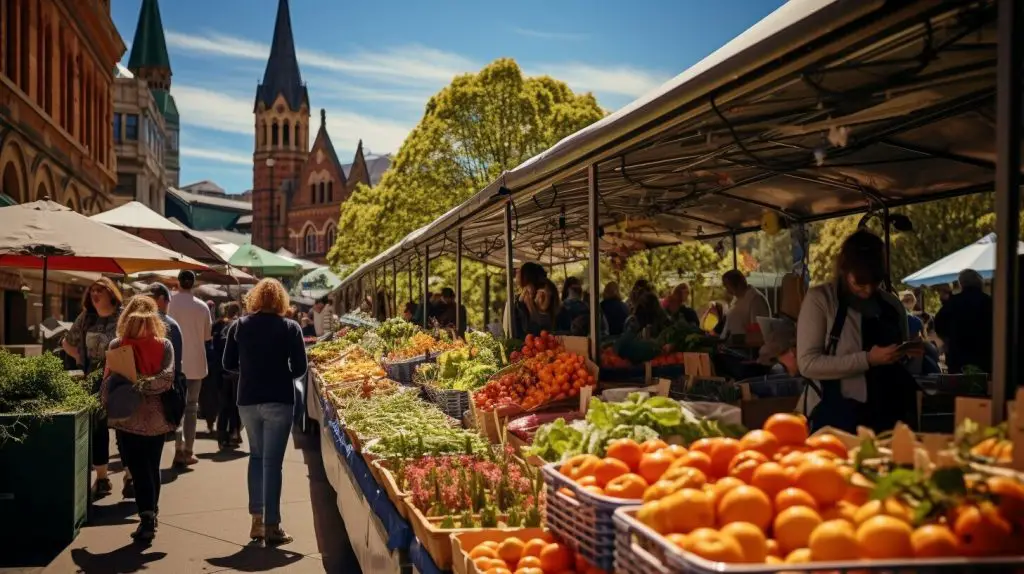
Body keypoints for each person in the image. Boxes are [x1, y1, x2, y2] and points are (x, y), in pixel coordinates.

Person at [796, 229, 917, 433]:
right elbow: (807, 364)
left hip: (890, 411)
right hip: (839, 414)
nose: (868, 289)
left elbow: (901, 352)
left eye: (875, 282)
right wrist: (868, 359)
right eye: (859, 282)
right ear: (844, 269)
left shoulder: (892, 305)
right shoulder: (821, 300)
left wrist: (907, 352)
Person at [223, 279, 307, 546]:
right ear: (282, 300)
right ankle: (273, 525)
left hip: (248, 399)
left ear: (255, 299)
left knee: (256, 457)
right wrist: (281, 372)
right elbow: (300, 368)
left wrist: (249, 371)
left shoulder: (240, 325)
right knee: (272, 463)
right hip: (279, 398)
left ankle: (257, 521)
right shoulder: (290, 328)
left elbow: (227, 363)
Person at [100, 296, 176, 542]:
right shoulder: (164, 345)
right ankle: (150, 512)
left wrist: (106, 404)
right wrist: (147, 383)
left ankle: (147, 516)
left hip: (126, 415)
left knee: (139, 467)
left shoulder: (116, 344)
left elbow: (108, 382)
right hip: (156, 417)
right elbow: (168, 377)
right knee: (150, 466)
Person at [63, 277, 123, 497]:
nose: (95, 294)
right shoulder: (86, 317)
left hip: (119, 379)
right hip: (93, 381)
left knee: (124, 428)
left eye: (100, 290)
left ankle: (129, 476)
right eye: (92, 290)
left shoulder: (123, 316)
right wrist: (80, 357)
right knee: (98, 430)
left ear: (111, 293)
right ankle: (102, 478)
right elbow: (67, 342)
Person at [167, 270, 213, 467]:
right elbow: (206, 336)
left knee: (177, 408)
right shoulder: (202, 307)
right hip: (195, 363)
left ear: (178, 282)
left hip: (173, 363)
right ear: (194, 284)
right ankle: (188, 451)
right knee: (192, 408)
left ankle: (178, 448)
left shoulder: (169, 303)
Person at [934, 269, 994, 374]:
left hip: (958, 358)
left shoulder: (952, 303)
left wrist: (947, 341)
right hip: (985, 357)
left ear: (962, 284)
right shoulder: (990, 302)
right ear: (980, 283)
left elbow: (938, 324)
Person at [215, 302, 243, 449]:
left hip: (222, 370)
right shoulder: (240, 325)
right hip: (236, 370)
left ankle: (221, 436)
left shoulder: (219, 326)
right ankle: (234, 433)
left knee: (224, 404)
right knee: (235, 405)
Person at [720, 270, 771, 340]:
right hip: (728, 344)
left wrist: (736, 339)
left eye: (727, 285)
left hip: (742, 348)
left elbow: (758, 333)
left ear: (738, 284)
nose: (726, 289)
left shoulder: (755, 299)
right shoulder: (737, 299)